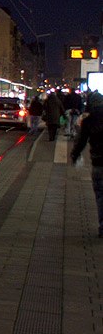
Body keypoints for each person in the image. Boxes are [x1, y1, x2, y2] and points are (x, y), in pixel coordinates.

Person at [70, 91, 103, 238]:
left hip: (98, 163)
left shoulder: (89, 121)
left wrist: (75, 155)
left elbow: (82, 140)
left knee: (100, 196)